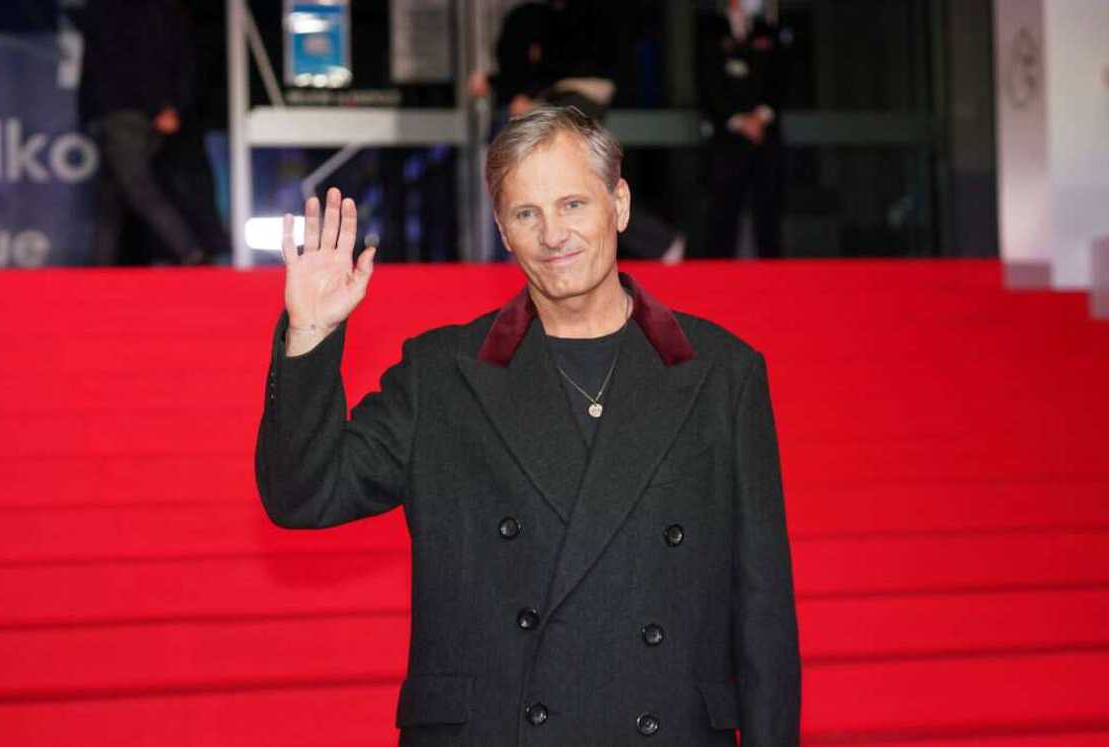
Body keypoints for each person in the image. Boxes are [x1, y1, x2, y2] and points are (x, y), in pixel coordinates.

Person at [255, 107, 799, 745]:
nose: (552, 235)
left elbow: (763, 615)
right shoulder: (442, 375)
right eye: (526, 214)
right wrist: (312, 333)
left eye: (572, 204)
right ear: (502, 231)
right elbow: (303, 494)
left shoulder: (722, 375)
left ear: (619, 204)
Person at [468, 0, 685, 263]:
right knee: (575, 183)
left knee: (579, 183)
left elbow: (557, 63)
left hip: (571, 99)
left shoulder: (575, 16)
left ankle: (658, 240)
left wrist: (506, 88)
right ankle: (658, 241)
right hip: (572, 99)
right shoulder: (551, 15)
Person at [78, 0, 224, 265]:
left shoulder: (148, 9)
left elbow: (150, 56)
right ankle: (99, 264)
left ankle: (190, 251)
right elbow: (96, 63)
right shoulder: (112, 9)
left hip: (130, 112)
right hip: (120, 111)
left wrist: (163, 106)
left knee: (138, 187)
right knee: (110, 195)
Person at [698, 0, 789, 259]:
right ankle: (717, 278)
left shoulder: (767, 30)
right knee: (723, 212)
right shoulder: (711, 30)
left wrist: (761, 116)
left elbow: (780, 76)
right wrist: (738, 120)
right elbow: (707, 83)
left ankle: (773, 276)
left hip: (764, 136)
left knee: (768, 211)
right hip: (726, 138)